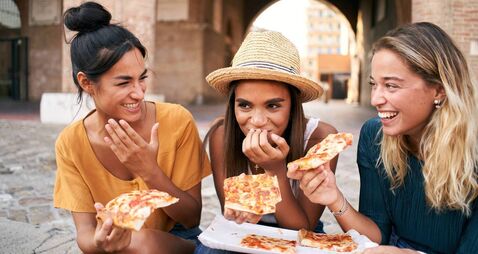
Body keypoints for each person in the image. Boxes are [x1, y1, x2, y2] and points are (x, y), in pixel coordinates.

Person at [288, 22, 478, 254]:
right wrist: (334, 198)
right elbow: (376, 234)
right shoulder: (374, 135)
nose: (376, 99)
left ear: (438, 90)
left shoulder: (474, 152)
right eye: (374, 84)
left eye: (391, 85)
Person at [53, 2, 210, 253]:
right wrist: (100, 242)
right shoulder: (70, 143)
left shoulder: (176, 121)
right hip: (116, 245)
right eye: (124, 82)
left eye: (142, 78)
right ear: (86, 82)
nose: (138, 93)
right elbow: (84, 234)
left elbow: (192, 218)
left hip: (178, 239)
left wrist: (150, 172)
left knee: (142, 242)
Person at [195, 30, 338, 253]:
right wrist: (246, 206)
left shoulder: (319, 139)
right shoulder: (222, 136)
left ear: (293, 104)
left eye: (273, 106)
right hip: (244, 232)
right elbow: (234, 215)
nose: (258, 121)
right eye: (244, 105)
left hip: (299, 234)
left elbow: (302, 228)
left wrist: (276, 171)